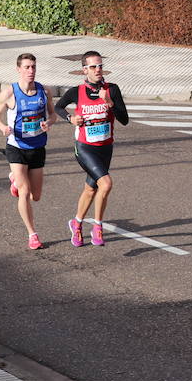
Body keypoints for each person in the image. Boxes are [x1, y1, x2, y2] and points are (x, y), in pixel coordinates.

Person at [55, 51, 128, 247]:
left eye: (100, 66)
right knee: (106, 184)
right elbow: (58, 107)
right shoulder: (76, 91)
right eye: (93, 66)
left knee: (90, 189)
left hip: (105, 148)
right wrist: (70, 118)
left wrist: (109, 102)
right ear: (84, 70)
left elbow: (124, 120)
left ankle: (76, 223)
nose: (98, 70)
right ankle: (97, 226)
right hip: (85, 148)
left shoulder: (112, 89)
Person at [0, 53, 56, 250]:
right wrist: (2, 127)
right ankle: (32, 234)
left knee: (36, 196)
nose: (31, 71)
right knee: (24, 192)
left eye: (33, 67)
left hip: (37, 147)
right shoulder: (10, 93)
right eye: (27, 67)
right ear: (18, 69)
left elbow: (53, 115)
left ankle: (14, 180)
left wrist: (48, 123)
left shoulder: (44, 91)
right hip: (16, 147)